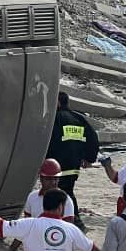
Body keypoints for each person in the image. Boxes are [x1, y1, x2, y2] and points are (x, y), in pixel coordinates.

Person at [3, 158, 76, 251]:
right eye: (49, 179)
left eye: (56, 179)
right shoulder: (32, 198)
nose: (53, 182)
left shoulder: (66, 200)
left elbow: (69, 232)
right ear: (41, 178)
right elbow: (25, 227)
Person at [47, 92, 99, 232]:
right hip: (74, 166)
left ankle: (75, 222)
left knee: (63, 191)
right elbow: (93, 138)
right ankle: (71, 221)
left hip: (58, 165)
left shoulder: (55, 119)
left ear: (58, 102)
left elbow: (49, 141)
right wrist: (89, 158)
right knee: (67, 189)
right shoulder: (79, 118)